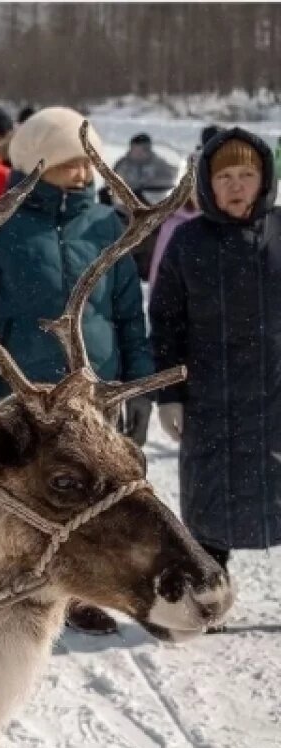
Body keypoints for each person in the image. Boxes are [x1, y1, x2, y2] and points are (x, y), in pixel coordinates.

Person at [0, 107, 156, 635]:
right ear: (37, 164)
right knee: (20, 497)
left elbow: (129, 312)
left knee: (93, 500)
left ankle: (80, 593)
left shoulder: (108, 227)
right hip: (21, 395)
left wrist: (141, 384)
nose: (82, 175)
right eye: (68, 165)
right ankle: (4, 586)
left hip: (93, 391)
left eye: (87, 164)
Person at [151, 128, 281, 590]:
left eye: (247, 173)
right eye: (224, 174)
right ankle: (210, 587)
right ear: (207, 181)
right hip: (211, 400)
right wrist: (169, 395)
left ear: (265, 177)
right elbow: (166, 324)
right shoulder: (188, 243)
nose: (236, 184)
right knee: (210, 506)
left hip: (276, 397)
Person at [113, 133, 179, 199]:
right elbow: (112, 180)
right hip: (128, 202)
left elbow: (170, 180)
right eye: (135, 150)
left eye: (142, 150)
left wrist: (150, 185)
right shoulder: (123, 164)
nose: (138, 153)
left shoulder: (158, 164)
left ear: (148, 150)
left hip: (153, 202)